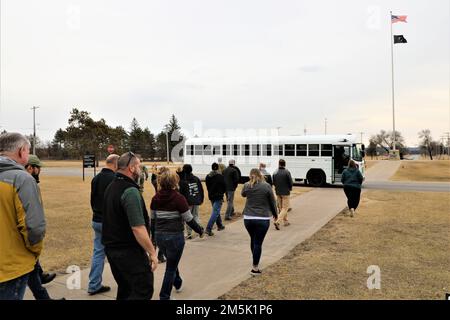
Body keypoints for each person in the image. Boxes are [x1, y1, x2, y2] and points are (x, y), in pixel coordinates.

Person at [102, 152, 158, 300]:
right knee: (143, 289)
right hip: (128, 251)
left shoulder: (111, 187)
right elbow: (138, 228)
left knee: (126, 290)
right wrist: (152, 252)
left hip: (112, 250)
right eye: (139, 166)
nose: (140, 169)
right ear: (132, 168)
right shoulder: (130, 191)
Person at [0, 133, 46, 300]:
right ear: (21, 151)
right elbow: (33, 227)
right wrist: (34, 253)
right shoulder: (22, 179)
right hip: (11, 268)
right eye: (27, 150)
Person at [150, 170, 204, 300]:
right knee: (171, 267)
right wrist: (199, 230)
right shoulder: (179, 198)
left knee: (172, 261)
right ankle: (164, 296)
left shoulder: (155, 198)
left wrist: (153, 238)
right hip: (175, 236)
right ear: (175, 182)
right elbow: (188, 219)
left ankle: (178, 282)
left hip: (160, 235)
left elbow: (152, 220)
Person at [88, 154, 119, 296]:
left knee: (98, 253)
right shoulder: (115, 179)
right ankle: (125, 282)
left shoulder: (96, 179)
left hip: (96, 219)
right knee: (118, 252)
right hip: (110, 222)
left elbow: (92, 200)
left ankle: (94, 284)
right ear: (115, 164)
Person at [24, 155, 57, 286]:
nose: (40, 171)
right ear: (30, 168)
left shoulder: (29, 182)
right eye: (38, 168)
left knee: (32, 263)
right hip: (26, 230)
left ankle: (40, 276)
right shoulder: (25, 183)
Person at [241, 169, 278, 276]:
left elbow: (243, 194)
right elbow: (272, 202)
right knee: (258, 243)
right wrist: (275, 215)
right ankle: (255, 268)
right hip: (262, 218)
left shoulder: (247, 185)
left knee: (253, 239)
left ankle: (255, 259)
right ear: (260, 175)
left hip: (248, 218)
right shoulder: (266, 186)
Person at [179, 164, 205, 240]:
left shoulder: (183, 181)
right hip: (196, 200)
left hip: (188, 202)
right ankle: (200, 228)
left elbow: (181, 193)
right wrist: (201, 199)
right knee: (196, 216)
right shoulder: (196, 178)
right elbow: (201, 189)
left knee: (188, 218)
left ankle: (189, 233)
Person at [205, 162, 226, 236]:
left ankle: (220, 225)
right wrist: (222, 193)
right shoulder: (220, 176)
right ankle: (208, 228)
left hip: (211, 196)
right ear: (217, 168)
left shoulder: (208, 176)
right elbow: (224, 187)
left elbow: (207, 186)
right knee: (215, 212)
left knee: (216, 211)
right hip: (218, 196)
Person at [272, 159, 293, 230]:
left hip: (278, 192)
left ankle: (286, 221)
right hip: (285, 192)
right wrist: (290, 188)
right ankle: (277, 222)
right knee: (285, 208)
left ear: (279, 164)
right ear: (285, 164)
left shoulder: (275, 172)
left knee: (281, 208)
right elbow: (290, 182)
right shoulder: (287, 172)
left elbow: (274, 182)